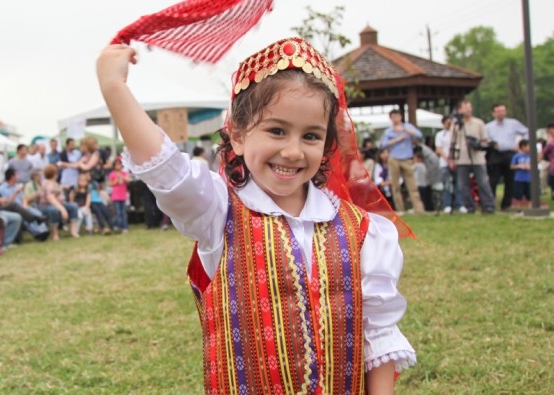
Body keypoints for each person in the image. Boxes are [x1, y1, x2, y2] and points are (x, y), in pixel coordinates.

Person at [97, 38, 415, 393]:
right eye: (276, 130)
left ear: (326, 146)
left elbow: (378, 334)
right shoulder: (218, 212)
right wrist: (115, 88)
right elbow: (168, 171)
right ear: (237, 135)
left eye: (310, 136)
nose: (293, 151)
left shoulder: (365, 231)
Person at [450, 100, 495, 214]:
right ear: (460, 110)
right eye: (465, 107)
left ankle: (488, 205)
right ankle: (469, 206)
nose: (468, 110)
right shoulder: (456, 125)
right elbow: (452, 142)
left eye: (469, 107)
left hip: (477, 157)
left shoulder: (479, 123)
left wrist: (478, 145)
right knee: (463, 184)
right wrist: (452, 159)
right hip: (462, 158)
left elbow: (485, 140)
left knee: (483, 182)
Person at [380, 109, 424, 214]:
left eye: (397, 116)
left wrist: (405, 130)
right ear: (390, 118)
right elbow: (383, 144)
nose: (395, 118)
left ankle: (419, 209)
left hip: (407, 159)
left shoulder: (408, 127)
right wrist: (398, 138)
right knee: (395, 185)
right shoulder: (388, 131)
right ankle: (400, 209)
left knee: (412, 185)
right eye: (393, 116)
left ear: (401, 117)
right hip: (394, 158)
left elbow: (419, 135)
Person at [486, 104, 528, 211]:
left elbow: (526, 132)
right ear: (493, 113)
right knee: (493, 180)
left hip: (510, 153)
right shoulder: (488, 126)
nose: (501, 113)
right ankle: (490, 204)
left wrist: (520, 145)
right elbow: (485, 139)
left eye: (502, 111)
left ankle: (506, 205)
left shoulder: (513, 123)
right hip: (495, 154)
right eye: (498, 111)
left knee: (510, 181)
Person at [39, 164, 79, 240]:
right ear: (54, 174)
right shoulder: (47, 183)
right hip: (47, 205)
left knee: (74, 206)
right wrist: (62, 209)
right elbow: (50, 198)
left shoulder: (55, 183)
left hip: (60, 203)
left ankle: (73, 232)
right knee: (54, 211)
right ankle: (55, 234)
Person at [435, 116, 465, 214]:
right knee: (447, 184)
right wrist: (448, 160)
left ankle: (460, 204)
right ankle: (447, 204)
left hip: (458, 162)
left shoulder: (458, 134)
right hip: (445, 163)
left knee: (459, 184)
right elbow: (439, 149)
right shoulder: (440, 135)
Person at [108, 159, 130, 233]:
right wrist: (116, 180)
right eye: (116, 164)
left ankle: (125, 227)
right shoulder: (112, 174)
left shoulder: (124, 173)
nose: (118, 166)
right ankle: (118, 226)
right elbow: (110, 184)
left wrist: (122, 177)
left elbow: (128, 180)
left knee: (123, 212)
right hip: (115, 196)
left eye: (119, 164)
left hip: (123, 195)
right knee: (117, 212)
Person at [510, 140, 532, 209]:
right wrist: (519, 166)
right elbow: (512, 166)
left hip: (529, 179)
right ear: (523, 147)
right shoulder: (517, 156)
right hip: (519, 179)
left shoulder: (531, 156)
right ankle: (518, 209)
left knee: (530, 196)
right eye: (528, 146)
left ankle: (530, 208)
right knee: (518, 196)